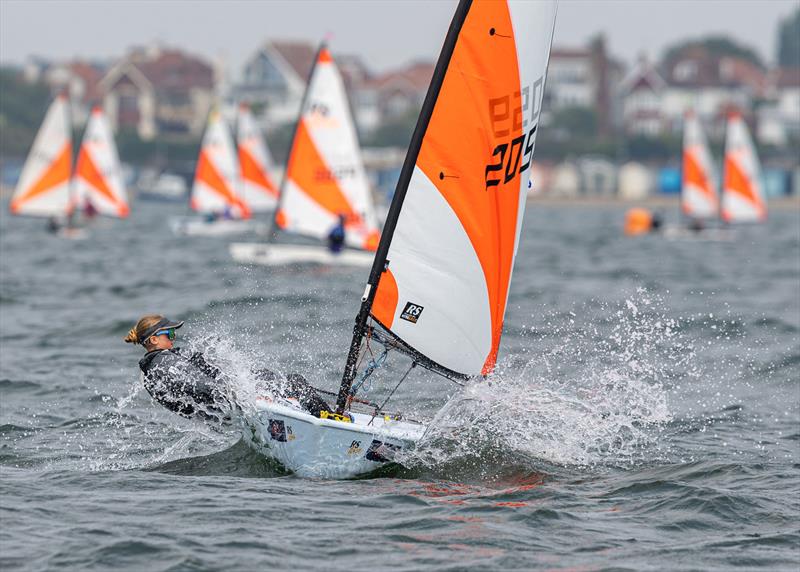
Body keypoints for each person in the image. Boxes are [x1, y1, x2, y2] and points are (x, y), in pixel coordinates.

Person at [124, 315, 332, 421]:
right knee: (295, 382)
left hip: (226, 409)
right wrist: (243, 395)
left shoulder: (154, 367)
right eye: (169, 334)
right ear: (153, 339)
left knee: (275, 379)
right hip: (233, 402)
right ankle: (333, 420)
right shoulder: (163, 364)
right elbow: (198, 384)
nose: (173, 337)